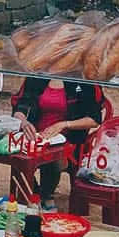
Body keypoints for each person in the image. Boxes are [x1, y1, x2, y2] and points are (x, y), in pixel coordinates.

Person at [11, 78, 103, 211]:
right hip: (36, 135)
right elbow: (20, 107)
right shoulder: (36, 78)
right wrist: (23, 122)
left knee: (54, 159)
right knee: (15, 155)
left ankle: (47, 195)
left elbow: (94, 120)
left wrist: (63, 125)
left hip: (70, 139)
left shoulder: (83, 81)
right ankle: (34, 192)